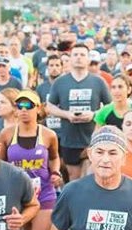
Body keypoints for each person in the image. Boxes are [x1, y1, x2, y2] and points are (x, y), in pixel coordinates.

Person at [0, 90, 62, 230]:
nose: (23, 111)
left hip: (43, 194)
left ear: (38, 109)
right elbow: (0, 164)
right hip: (18, 197)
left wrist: (55, 172)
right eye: (19, 107)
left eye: (29, 106)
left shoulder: (48, 135)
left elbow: (54, 157)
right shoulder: (6, 134)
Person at [46, 44, 112, 181]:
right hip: (69, 139)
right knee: (74, 178)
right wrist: (66, 114)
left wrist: (94, 114)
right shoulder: (60, 82)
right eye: (75, 55)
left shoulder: (98, 82)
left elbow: (110, 106)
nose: (79, 58)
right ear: (69, 59)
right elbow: (50, 106)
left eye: (82, 55)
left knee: (93, 177)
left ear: (88, 59)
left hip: (93, 138)